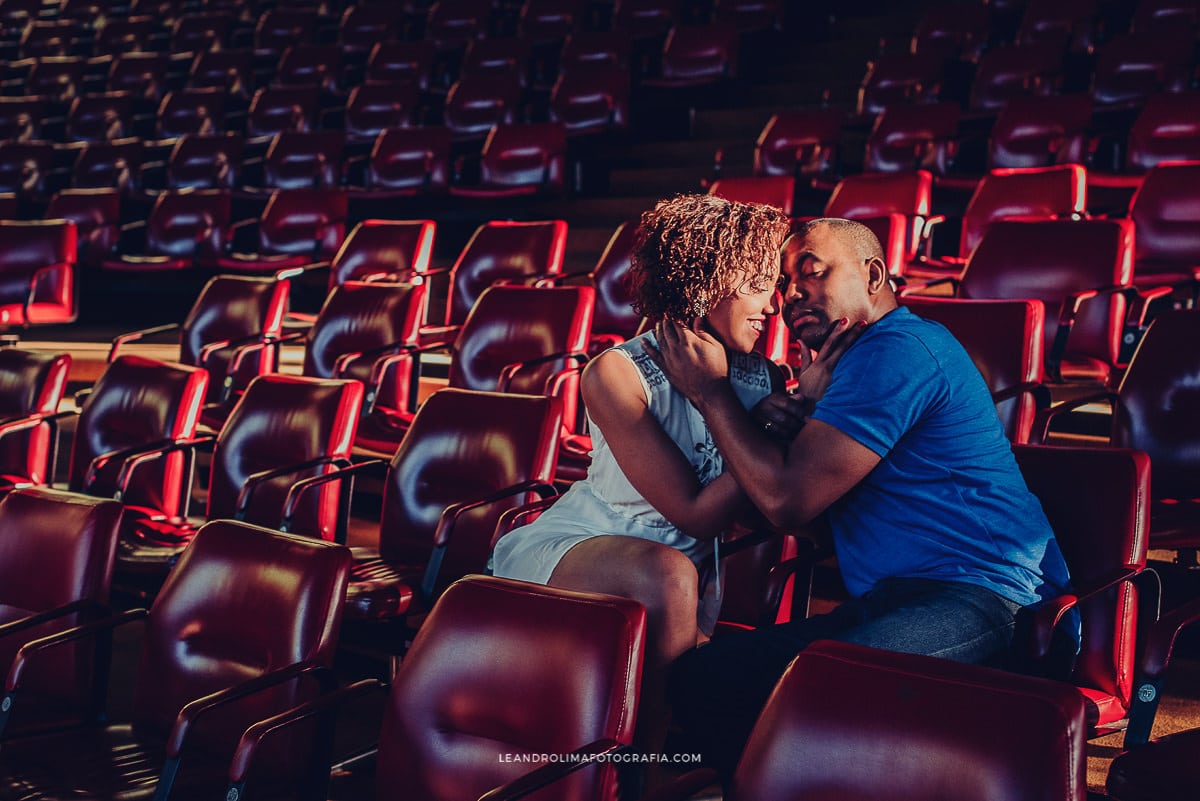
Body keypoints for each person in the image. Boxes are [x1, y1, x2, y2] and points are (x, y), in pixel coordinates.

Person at [652, 217, 1075, 776]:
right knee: (709, 677)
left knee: (815, 688)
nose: (791, 294)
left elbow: (786, 502)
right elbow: (798, 519)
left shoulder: (897, 349)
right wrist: (782, 422)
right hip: (898, 598)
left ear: (873, 274)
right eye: (783, 283)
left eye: (812, 272)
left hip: (991, 596)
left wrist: (711, 393)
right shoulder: (845, 369)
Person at [491, 193, 802, 758]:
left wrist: (790, 422)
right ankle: (648, 773)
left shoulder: (762, 377)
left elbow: (769, 505)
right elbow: (693, 512)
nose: (774, 305)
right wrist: (757, 434)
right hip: (585, 546)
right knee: (666, 575)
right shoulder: (616, 372)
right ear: (705, 281)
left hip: (685, 573)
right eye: (759, 283)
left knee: (677, 582)